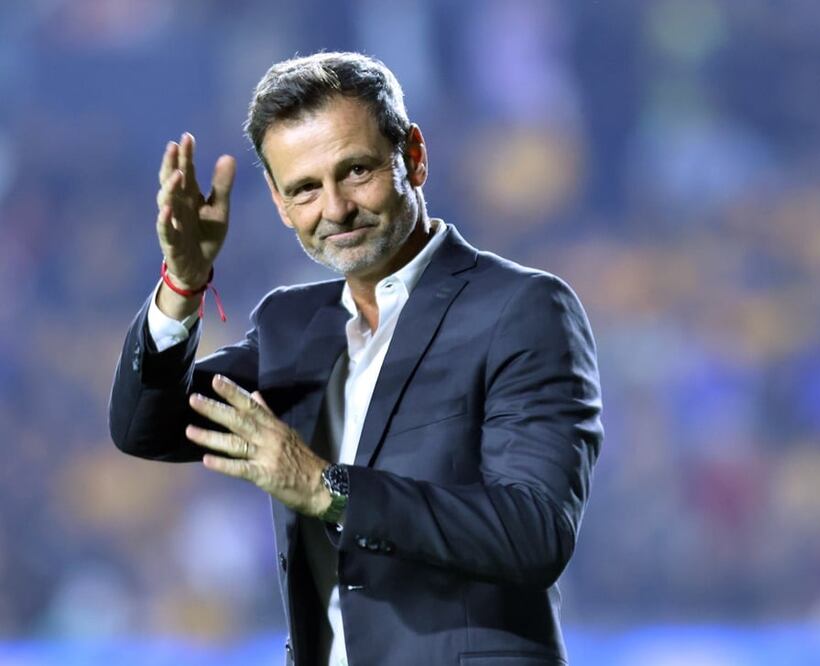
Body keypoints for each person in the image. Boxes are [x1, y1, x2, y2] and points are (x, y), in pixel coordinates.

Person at [108, 51, 602, 666]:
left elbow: (533, 533)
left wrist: (326, 489)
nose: (335, 209)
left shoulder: (521, 308)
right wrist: (182, 286)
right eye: (306, 189)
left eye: (357, 171)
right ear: (280, 202)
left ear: (413, 157)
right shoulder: (294, 325)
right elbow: (145, 428)